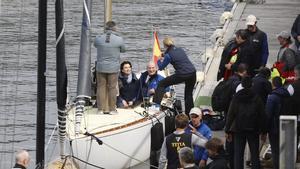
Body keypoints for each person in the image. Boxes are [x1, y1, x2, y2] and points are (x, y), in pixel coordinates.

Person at [225, 76, 267, 169]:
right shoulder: (256, 97)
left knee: (238, 155)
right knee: (255, 154)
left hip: (239, 129)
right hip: (253, 129)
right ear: (252, 84)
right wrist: (264, 131)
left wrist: (227, 130)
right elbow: (262, 115)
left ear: (242, 85)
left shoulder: (236, 97)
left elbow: (231, 114)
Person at [153, 37, 196, 114]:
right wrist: (164, 54)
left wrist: (159, 59)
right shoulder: (180, 49)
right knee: (188, 94)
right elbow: (173, 54)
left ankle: (155, 107)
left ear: (165, 45)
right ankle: (190, 114)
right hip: (192, 73)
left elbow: (161, 67)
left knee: (161, 84)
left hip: (182, 74)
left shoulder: (168, 55)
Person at [94, 21, 125, 114]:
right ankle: (112, 109)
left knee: (100, 87)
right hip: (113, 68)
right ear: (114, 28)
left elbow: (95, 45)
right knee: (112, 88)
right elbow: (123, 50)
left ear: (105, 28)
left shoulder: (98, 38)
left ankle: (100, 109)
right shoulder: (119, 39)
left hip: (100, 67)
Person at [265, 76, 292, 169]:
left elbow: (268, 115)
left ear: (273, 84)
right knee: (286, 150)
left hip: (274, 128)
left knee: (275, 151)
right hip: (288, 126)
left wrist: (264, 130)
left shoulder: (272, 97)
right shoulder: (288, 96)